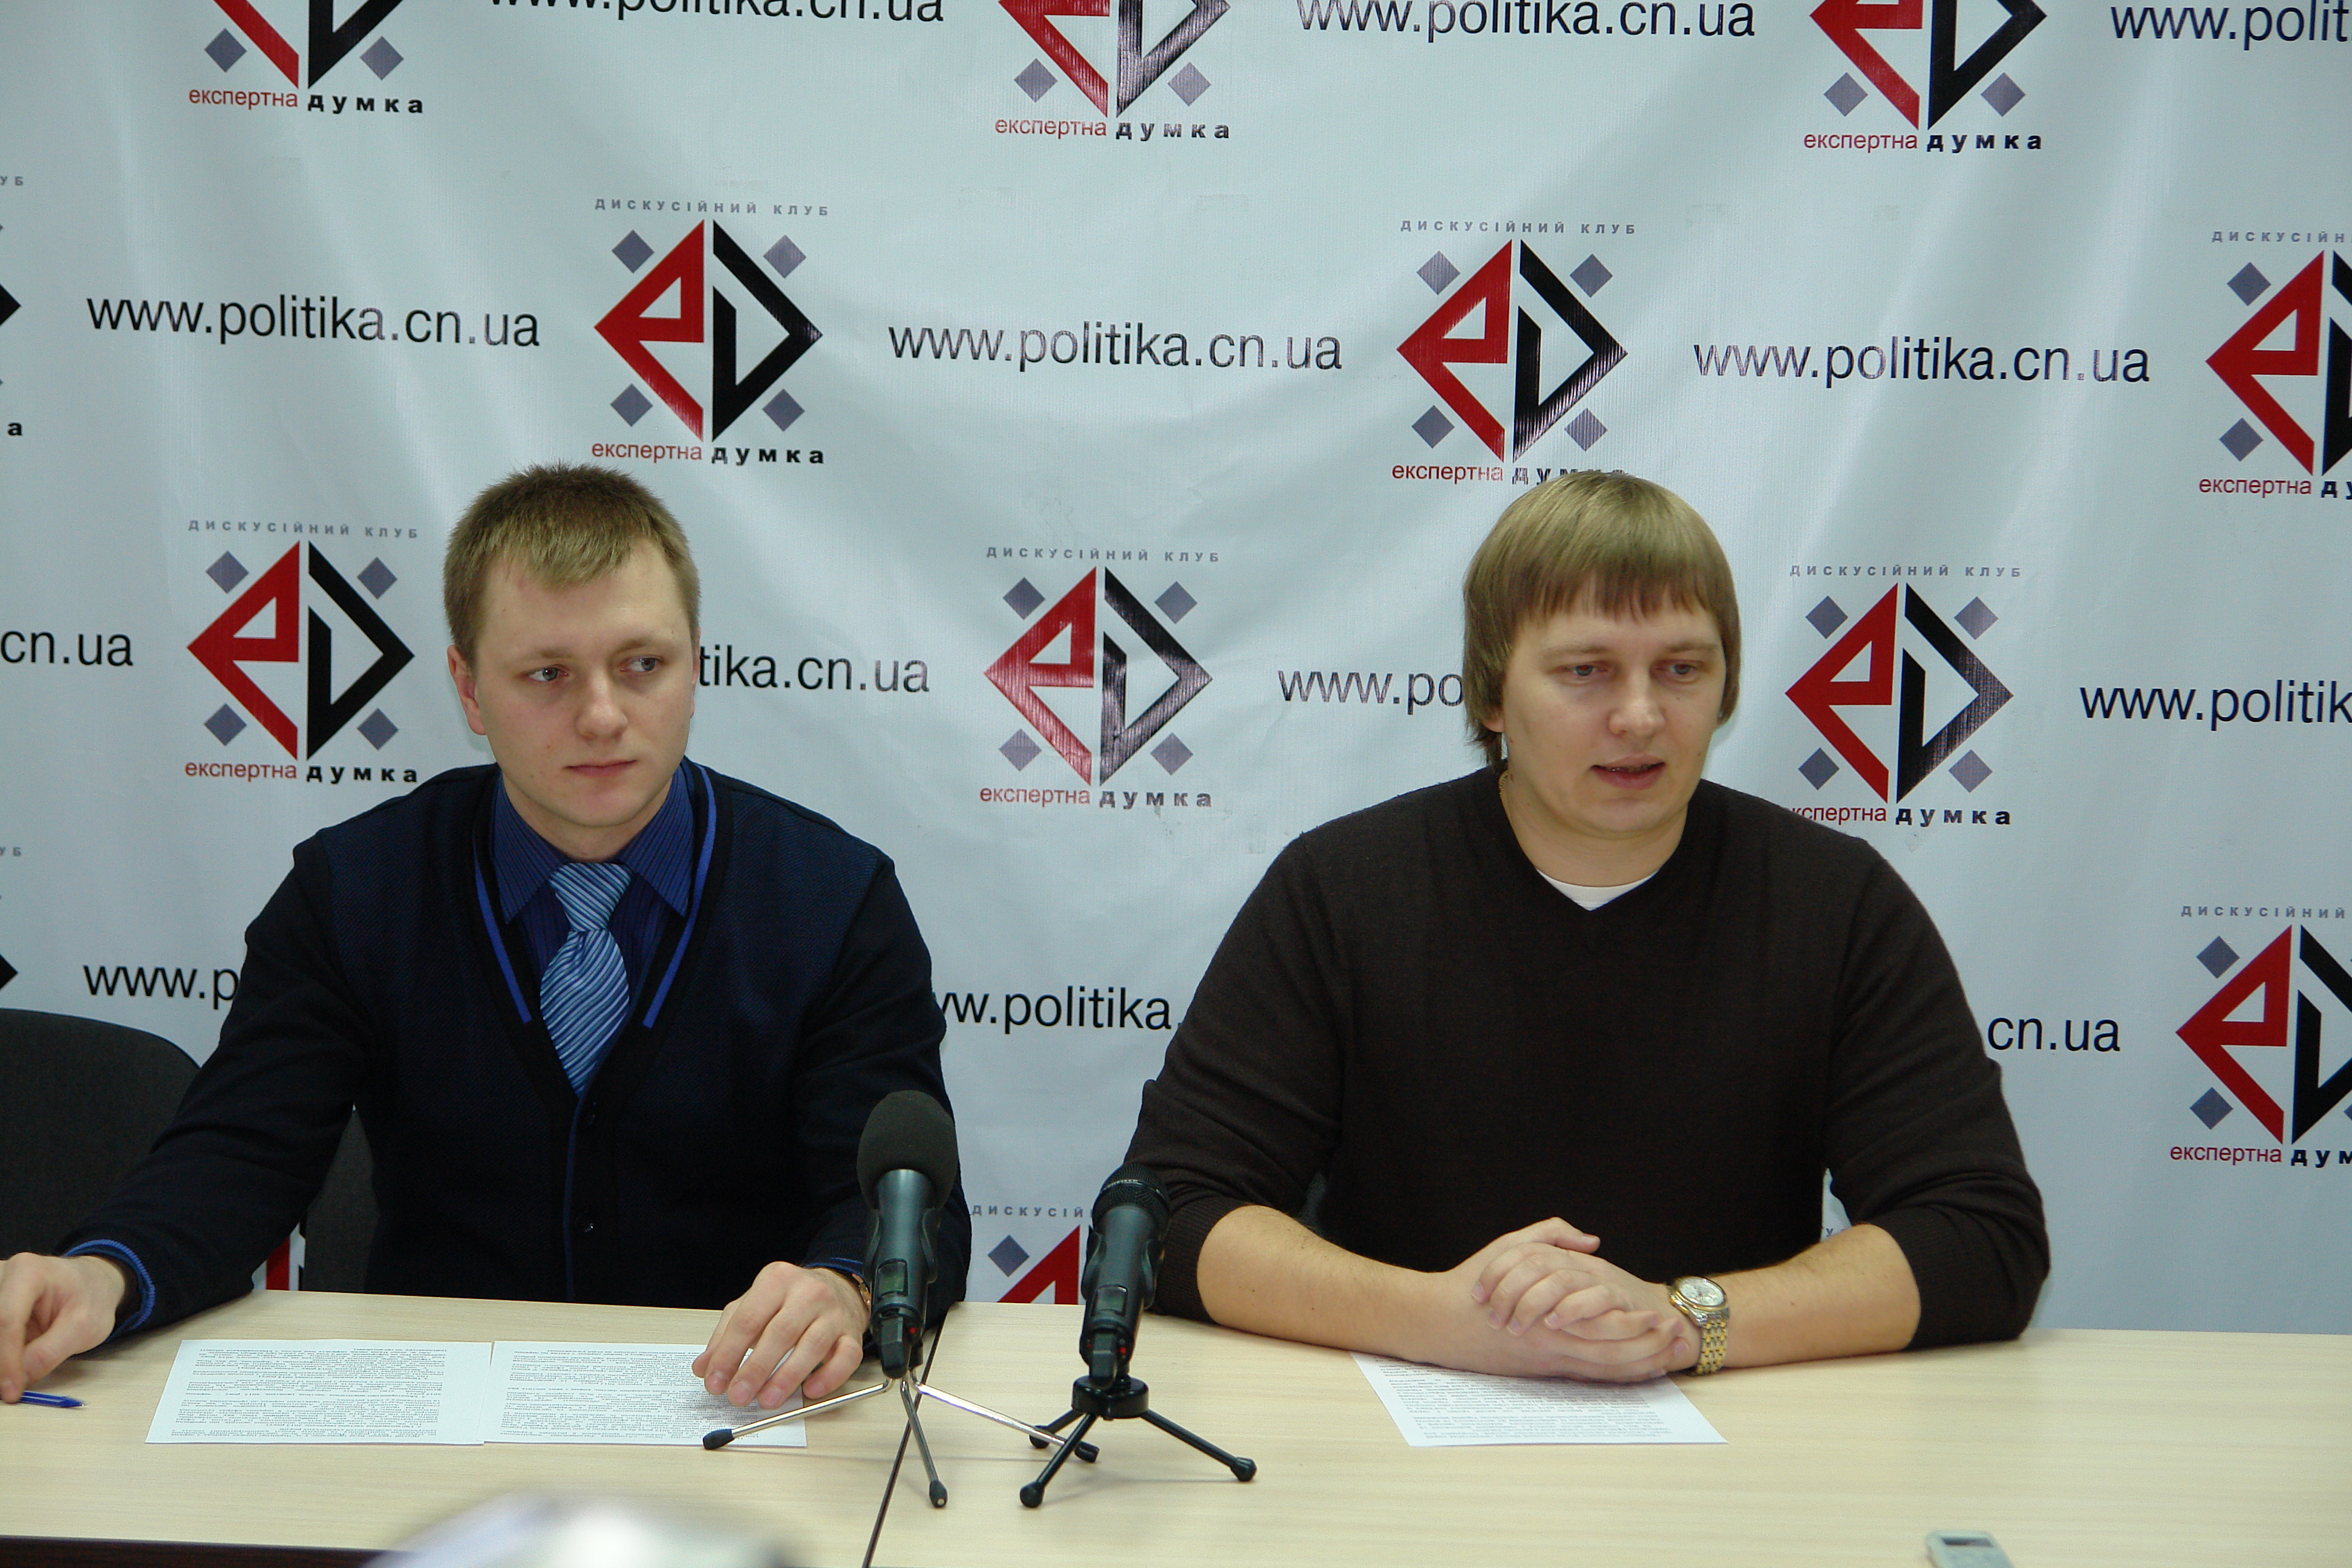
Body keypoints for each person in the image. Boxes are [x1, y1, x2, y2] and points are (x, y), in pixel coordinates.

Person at [0, 464, 967, 1409]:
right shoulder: (356, 891)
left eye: (643, 665)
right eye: (547, 674)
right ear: (468, 690)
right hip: (430, 1422)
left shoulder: (834, 901)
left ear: (697, 663)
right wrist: (102, 1274)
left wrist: (846, 1286)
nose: (602, 716)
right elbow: (241, 1155)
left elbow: (906, 1206)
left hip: (742, 1409)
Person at [1125, 471, 2047, 1382]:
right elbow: (1168, 1214)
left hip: (1740, 1432)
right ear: (1492, 694)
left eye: (1682, 669)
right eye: (1585, 671)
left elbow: (1981, 1235)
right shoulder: (1342, 892)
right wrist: (1443, 1320)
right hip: (1401, 1421)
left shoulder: (1835, 903)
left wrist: (1681, 1321)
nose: (1640, 716)